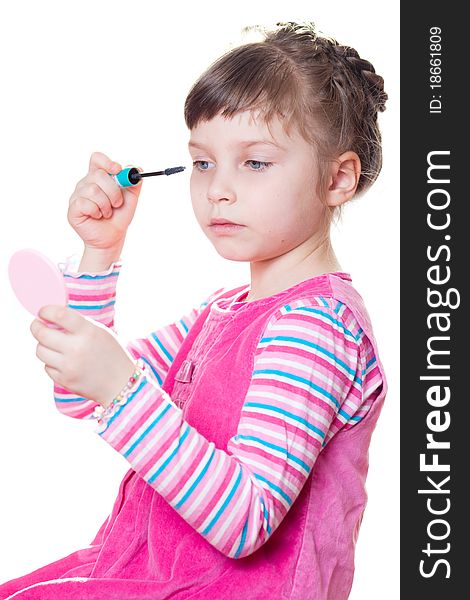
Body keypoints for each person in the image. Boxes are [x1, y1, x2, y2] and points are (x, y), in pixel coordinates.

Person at [1, 21, 388, 600]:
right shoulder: (223, 312)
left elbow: (244, 520)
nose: (218, 190)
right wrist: (100, 252)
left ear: (338, 178)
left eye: (255, 163)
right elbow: (82, 395)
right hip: (152, 573)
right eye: (203, 163)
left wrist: (123, 390)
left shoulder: (317, 327)